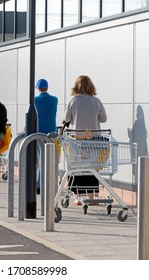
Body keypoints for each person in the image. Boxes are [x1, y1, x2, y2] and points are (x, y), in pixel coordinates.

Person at [63, 75, 107, 204]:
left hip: (77, 140)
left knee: (76, 167)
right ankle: (92, 197)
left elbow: (66, 118)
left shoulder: (73, 100)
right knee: (92, 168)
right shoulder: (96, 101)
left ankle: (78, 198)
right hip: (93, 140)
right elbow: (103, 119)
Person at [34, 78, 58, 194]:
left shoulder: (35, 100)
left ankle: (39, 184)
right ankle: (51, 184)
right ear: (47, 88)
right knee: (50, 159)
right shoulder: (54, 99)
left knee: (41, 158)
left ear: (38, 88)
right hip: (52, 132)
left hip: (39, 132)